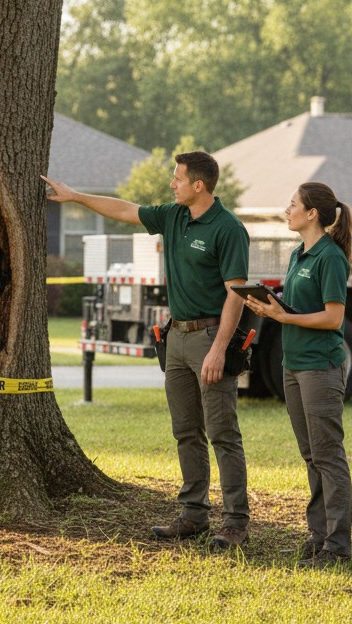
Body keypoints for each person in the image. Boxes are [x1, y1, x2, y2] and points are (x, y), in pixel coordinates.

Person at [43, 151, 251, 549]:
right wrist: (75, 197)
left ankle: (236, 523)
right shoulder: (173, 216)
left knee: (223, 433)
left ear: (198, 185)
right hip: (176, 338)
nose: (172, 184)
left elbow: (236, 295)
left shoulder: (228, 229)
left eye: (177, 178)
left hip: (210, 338)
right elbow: (124, 209)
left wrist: (219, 348)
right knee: (185, 431)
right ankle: (193, 515)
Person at [240, 182, 352, 567]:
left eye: (292, 205)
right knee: (310, 455)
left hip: (320, 366)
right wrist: (273, 305)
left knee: (328, 455)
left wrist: (283, 316)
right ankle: (319, 537)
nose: (285, 210)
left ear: (312, 214)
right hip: (293, 364)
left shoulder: (330, 257)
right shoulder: (297, 255)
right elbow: (300, 306)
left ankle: (337, 548)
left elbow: (333, 317)